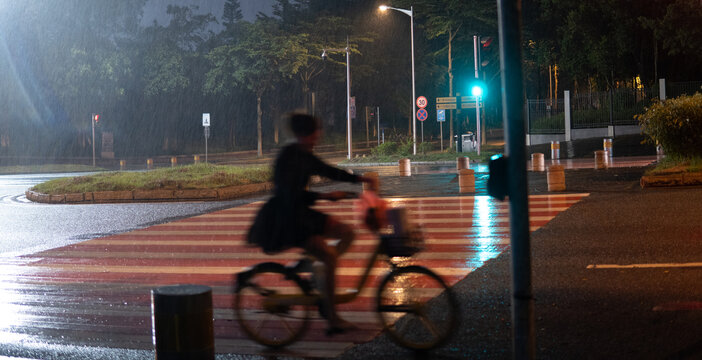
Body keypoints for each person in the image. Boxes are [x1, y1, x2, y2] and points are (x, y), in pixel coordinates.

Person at [247, 113, 374, 334]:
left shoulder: (305, 154)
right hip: (288, 219)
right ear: (303, 135)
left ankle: (313, 267)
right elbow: (289, 195)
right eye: (314, 134)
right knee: (330, 256)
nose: (317, 138)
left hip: (302, 212)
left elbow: (328, 170)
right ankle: (332, 317)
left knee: (348, 233)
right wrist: (325, 197)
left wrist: (359, 179)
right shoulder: (288, 156)